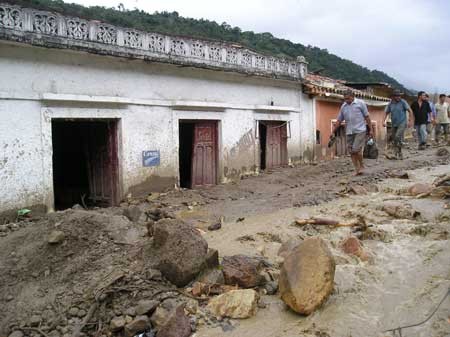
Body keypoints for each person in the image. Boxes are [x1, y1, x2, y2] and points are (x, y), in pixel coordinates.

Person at [330, 90, 372, 175]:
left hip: (360, 130)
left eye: (348, 98)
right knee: (351, 151)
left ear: (353, 96)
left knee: (356, 149)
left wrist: (371, 129)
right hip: (349, 131)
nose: (346, 100)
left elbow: (367, 117)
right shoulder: (343, 106)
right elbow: (339, 120)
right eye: (345, 99)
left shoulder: (360, 103)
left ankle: (362, 165)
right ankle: (357, 169)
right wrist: (333, 131)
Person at [383, 89, 412, 159]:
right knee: (394, 139)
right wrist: (383, 121)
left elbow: (410, 111)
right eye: (396, 96)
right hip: (394, 123)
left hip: (402, 122)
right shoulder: (390, 104)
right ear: (393, 96)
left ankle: (397, 151)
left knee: (397, 136)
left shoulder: (403, 102)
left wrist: (410, 120)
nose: (398, 97)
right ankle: (398, 152)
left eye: (399, 96)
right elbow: (386, 112)